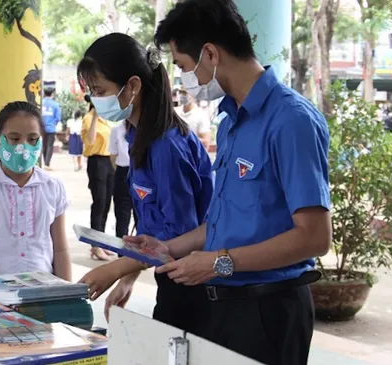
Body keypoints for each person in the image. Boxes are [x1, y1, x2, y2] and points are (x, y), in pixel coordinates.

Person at [130, 1, 331, 364]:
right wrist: (164, 247)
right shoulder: (231, 123)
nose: (184, 78)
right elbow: (222, 226)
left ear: (209, 53)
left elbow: (314, 237)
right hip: (221, 307)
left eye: (183, 66)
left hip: (268, 310)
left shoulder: (291, 121)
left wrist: (218, 263)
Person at [76, 33, 214, 333]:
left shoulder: (166, 145)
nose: (96, 100)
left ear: (134, 86)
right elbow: (154, 227)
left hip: (194, 285)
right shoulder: (138, 136)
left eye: (100, 90)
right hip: (172, 277)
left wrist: (116, 268)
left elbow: (180, 233)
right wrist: (128, 280)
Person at [0, 101, 71, 293]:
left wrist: (68, 296)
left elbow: (60, 250)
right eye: (14, 138)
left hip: (44, 293)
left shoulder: (53, 187)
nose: (23, 146)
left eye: (32, 139)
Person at [81, 95, 114, 261]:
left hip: (109, 161)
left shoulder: (107, 120)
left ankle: (101, 242)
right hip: (96, 161)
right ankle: (95, 245)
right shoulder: (88, 119)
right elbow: (91, 140)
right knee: (99, 202)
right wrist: (95, 116)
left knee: (107, 203)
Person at [108, 120, 133, 238]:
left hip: (138, 173)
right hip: (123, 173)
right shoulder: (117, 128)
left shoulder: (147, 127)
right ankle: (122, 252)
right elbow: (113, 155)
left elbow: (113, 156)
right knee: (122, 216)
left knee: (142, 216)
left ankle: (141, 253)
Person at [41, 88, 62, 170]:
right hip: (51, 128)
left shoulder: (41, 103)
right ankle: (47, 163)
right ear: (52, 94)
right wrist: (53, 124)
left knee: (44, 145)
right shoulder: (55, 105)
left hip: (42, 128)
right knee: (50, 146)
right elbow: (57, 118)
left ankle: (44, 161)